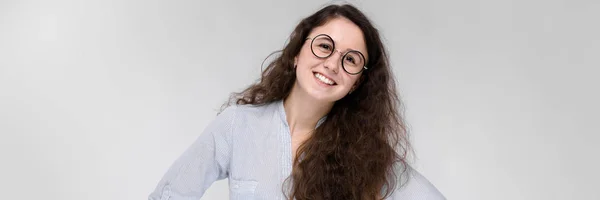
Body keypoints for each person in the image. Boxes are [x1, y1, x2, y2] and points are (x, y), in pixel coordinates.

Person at [149, 3, 444, 200]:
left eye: (350, 59)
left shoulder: (366, 154)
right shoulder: (237, 126)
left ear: (357, 83)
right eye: (325, 46)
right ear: (296, 52)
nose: (332, 64)